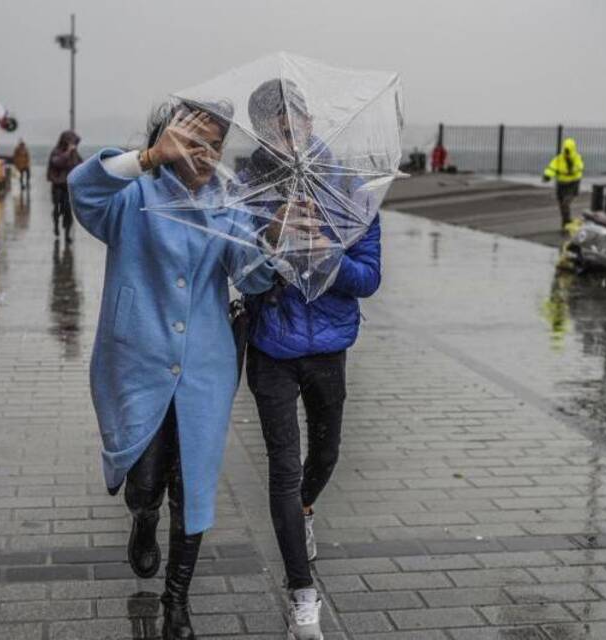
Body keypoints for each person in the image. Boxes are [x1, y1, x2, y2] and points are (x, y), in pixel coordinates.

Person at [68, 103, 275, 640]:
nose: (206, 155)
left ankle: (176, 602)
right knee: (146, 478)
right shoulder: (133, 197)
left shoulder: (228, 204)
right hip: (137, 356)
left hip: (205, 365)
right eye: (195, 142)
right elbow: (83, 192)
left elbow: (251, 281)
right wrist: (145, 157)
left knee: (194, 486)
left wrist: (271, 244)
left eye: (216, 145)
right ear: (169, 142)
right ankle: (142, 517)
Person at [242, 78, 382, 640]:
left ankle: (303, 512)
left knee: (325, 453)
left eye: (292, 117)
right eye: (271, 121)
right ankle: (303, 592)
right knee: (283, 464)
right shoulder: (245, 188)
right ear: (260, 130)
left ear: (307, 120)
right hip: (270, 345)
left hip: (328, 348)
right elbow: (234, 270)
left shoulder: (348, 186)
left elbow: (369, 278)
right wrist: (272, 247)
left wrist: (327, 259)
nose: (284, 129)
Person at [543, 137, 584, 230]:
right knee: (561, 204)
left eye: (568, 151)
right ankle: (565, 221)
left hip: (572, 183)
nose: (566, 153)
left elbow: (579, 166)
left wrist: (572, 168)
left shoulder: (577, 158)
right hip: (561, 183)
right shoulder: (559, 158)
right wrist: (547, 175)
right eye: (566, 150)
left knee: (566, 203)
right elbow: (551, 167)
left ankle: (567, 221)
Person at [48, 131, 82, 240]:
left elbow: (81, 165)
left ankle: (67, 234)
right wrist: (67, 152)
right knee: (57, 209)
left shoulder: (74, 153)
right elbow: (56, 162)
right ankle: (56, 225)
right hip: (58, 185)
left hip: (68, 186)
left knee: (68, 211)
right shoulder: (56, 151)